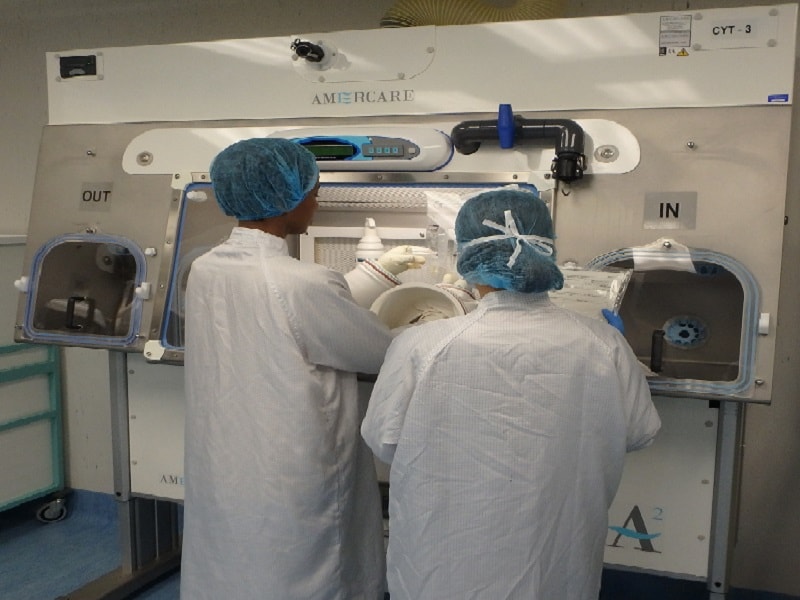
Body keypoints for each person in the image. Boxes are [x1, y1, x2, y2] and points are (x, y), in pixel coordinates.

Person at [361, 187, 661, 600]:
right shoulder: (602, 343)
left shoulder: (421, 345)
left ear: (467, 257)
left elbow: (384, 439)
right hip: (559, 559)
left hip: (444, 562)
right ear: (546, 250)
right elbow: (639, 433)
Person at [180, 137, 423, 600]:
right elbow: (375, 350)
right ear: (285, 200)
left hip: (227, 454)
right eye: (311, 190)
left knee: (235, 555)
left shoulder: (208, 268)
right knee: (305, 564)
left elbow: (289, 316)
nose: (316, 199)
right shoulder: (302, 282)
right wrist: (428, 328)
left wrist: (376, 275)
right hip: (293, 460)